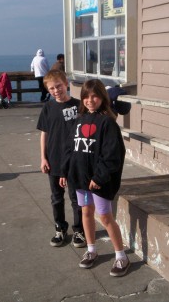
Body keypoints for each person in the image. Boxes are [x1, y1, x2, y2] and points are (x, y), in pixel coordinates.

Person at [60, 79, 130, 277]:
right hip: (80, 180)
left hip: (99, 181)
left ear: (102, 97)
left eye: (95, 96)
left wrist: (99, 178)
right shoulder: (79, 120)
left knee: (105, 217)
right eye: (86, 96)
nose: (90, 100)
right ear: (82, 98)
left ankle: (121, 256)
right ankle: (91, 250)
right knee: (86, 213)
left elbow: (112, 155)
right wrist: (65, 172)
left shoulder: (108, 122)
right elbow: (69, 149)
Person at [36, 69, 86, 248]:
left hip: (75, 161)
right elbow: (44, 134)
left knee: (76, 197)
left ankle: (79, 230)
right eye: (51, 88)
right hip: (54, 160)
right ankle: (60, 228)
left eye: (58, 86)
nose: (56, 90)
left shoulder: (80, 105)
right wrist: (43, 158)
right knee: (56, 197)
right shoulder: (48, 108)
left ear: (66, 84)